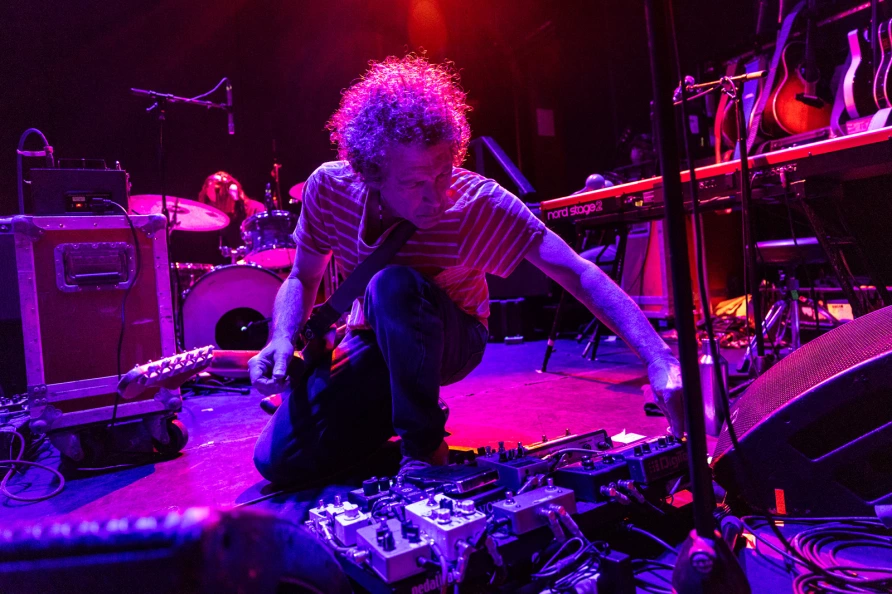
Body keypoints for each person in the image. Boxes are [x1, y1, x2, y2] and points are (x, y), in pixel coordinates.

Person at [249, 55, 683, 485]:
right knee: (278, 461)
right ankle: (400, 410)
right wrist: (282, 336)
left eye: (443, 173)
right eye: (415, 183)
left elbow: (578, 272)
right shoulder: (330, 188)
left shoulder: (477, 204)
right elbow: (302, 277)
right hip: (374, 337)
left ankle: (424, 450)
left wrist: (659, 359)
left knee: (391, 283)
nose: (436, 197)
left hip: (455, 337)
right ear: (372, 172)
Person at [197, 171, 265, 248]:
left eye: (218, 202)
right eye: (211, 203)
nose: (214, 207)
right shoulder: (215, 219)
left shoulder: (256, 209)